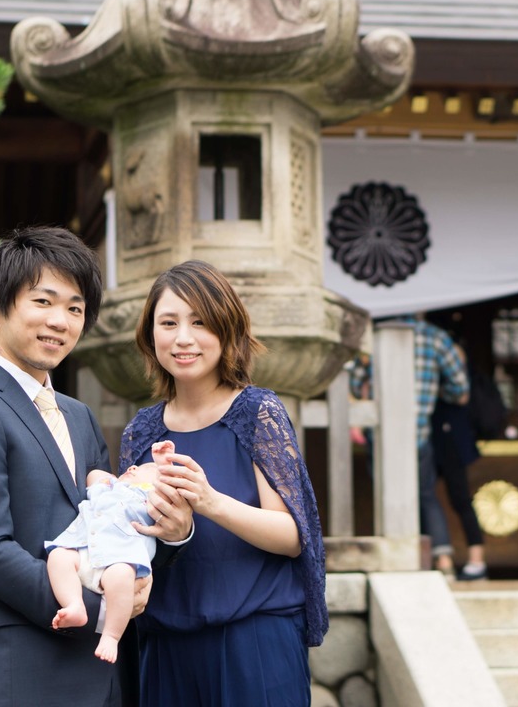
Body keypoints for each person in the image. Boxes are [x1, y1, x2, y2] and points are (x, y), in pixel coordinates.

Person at [0, 226, 193, 706]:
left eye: (75, 308)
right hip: (32, 670)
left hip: (112, 675)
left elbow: (113, 523)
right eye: (44, 302)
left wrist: (171, 535)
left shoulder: (79, 415)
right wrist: (96, 610)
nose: (61, 321)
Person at [119, 259, 327, 707]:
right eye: (168, 323)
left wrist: (210, 502)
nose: (183, 338)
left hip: (255, 638)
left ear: (226, 328)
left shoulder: (257, 413)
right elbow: (133, 541)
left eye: (199, 321)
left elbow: (294, 535)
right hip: (167, 645)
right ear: (150, 334)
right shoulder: (141, 431)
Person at [46, 447, 170, 663]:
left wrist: (163, 466)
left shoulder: (147, 499)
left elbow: (172, 495)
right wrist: (114, 479)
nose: (134, 469)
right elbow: (93, 475)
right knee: (58, 556)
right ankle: (74, 604)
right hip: (83, 548)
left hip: (117, 557)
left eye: (146, 471)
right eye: (136, 467)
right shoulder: (107, 489)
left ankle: (111, 635)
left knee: (122, 576)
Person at [398, 313, 470, 577]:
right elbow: (460, 387)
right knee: (426, 496)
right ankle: (444, 563)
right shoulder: (437, 338)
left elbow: (356, 382)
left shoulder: (373, 334)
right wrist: (440, 391)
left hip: (382, 436)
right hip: (419, 433)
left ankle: (401, 561)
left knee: (387, 496)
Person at [431, 342, 489, 581]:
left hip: (451, 441)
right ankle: (442, 559)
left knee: (461, 499)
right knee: (427, 498)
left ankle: (477, 560)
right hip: (434, 439)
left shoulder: (456, 383)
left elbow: (462, 397)